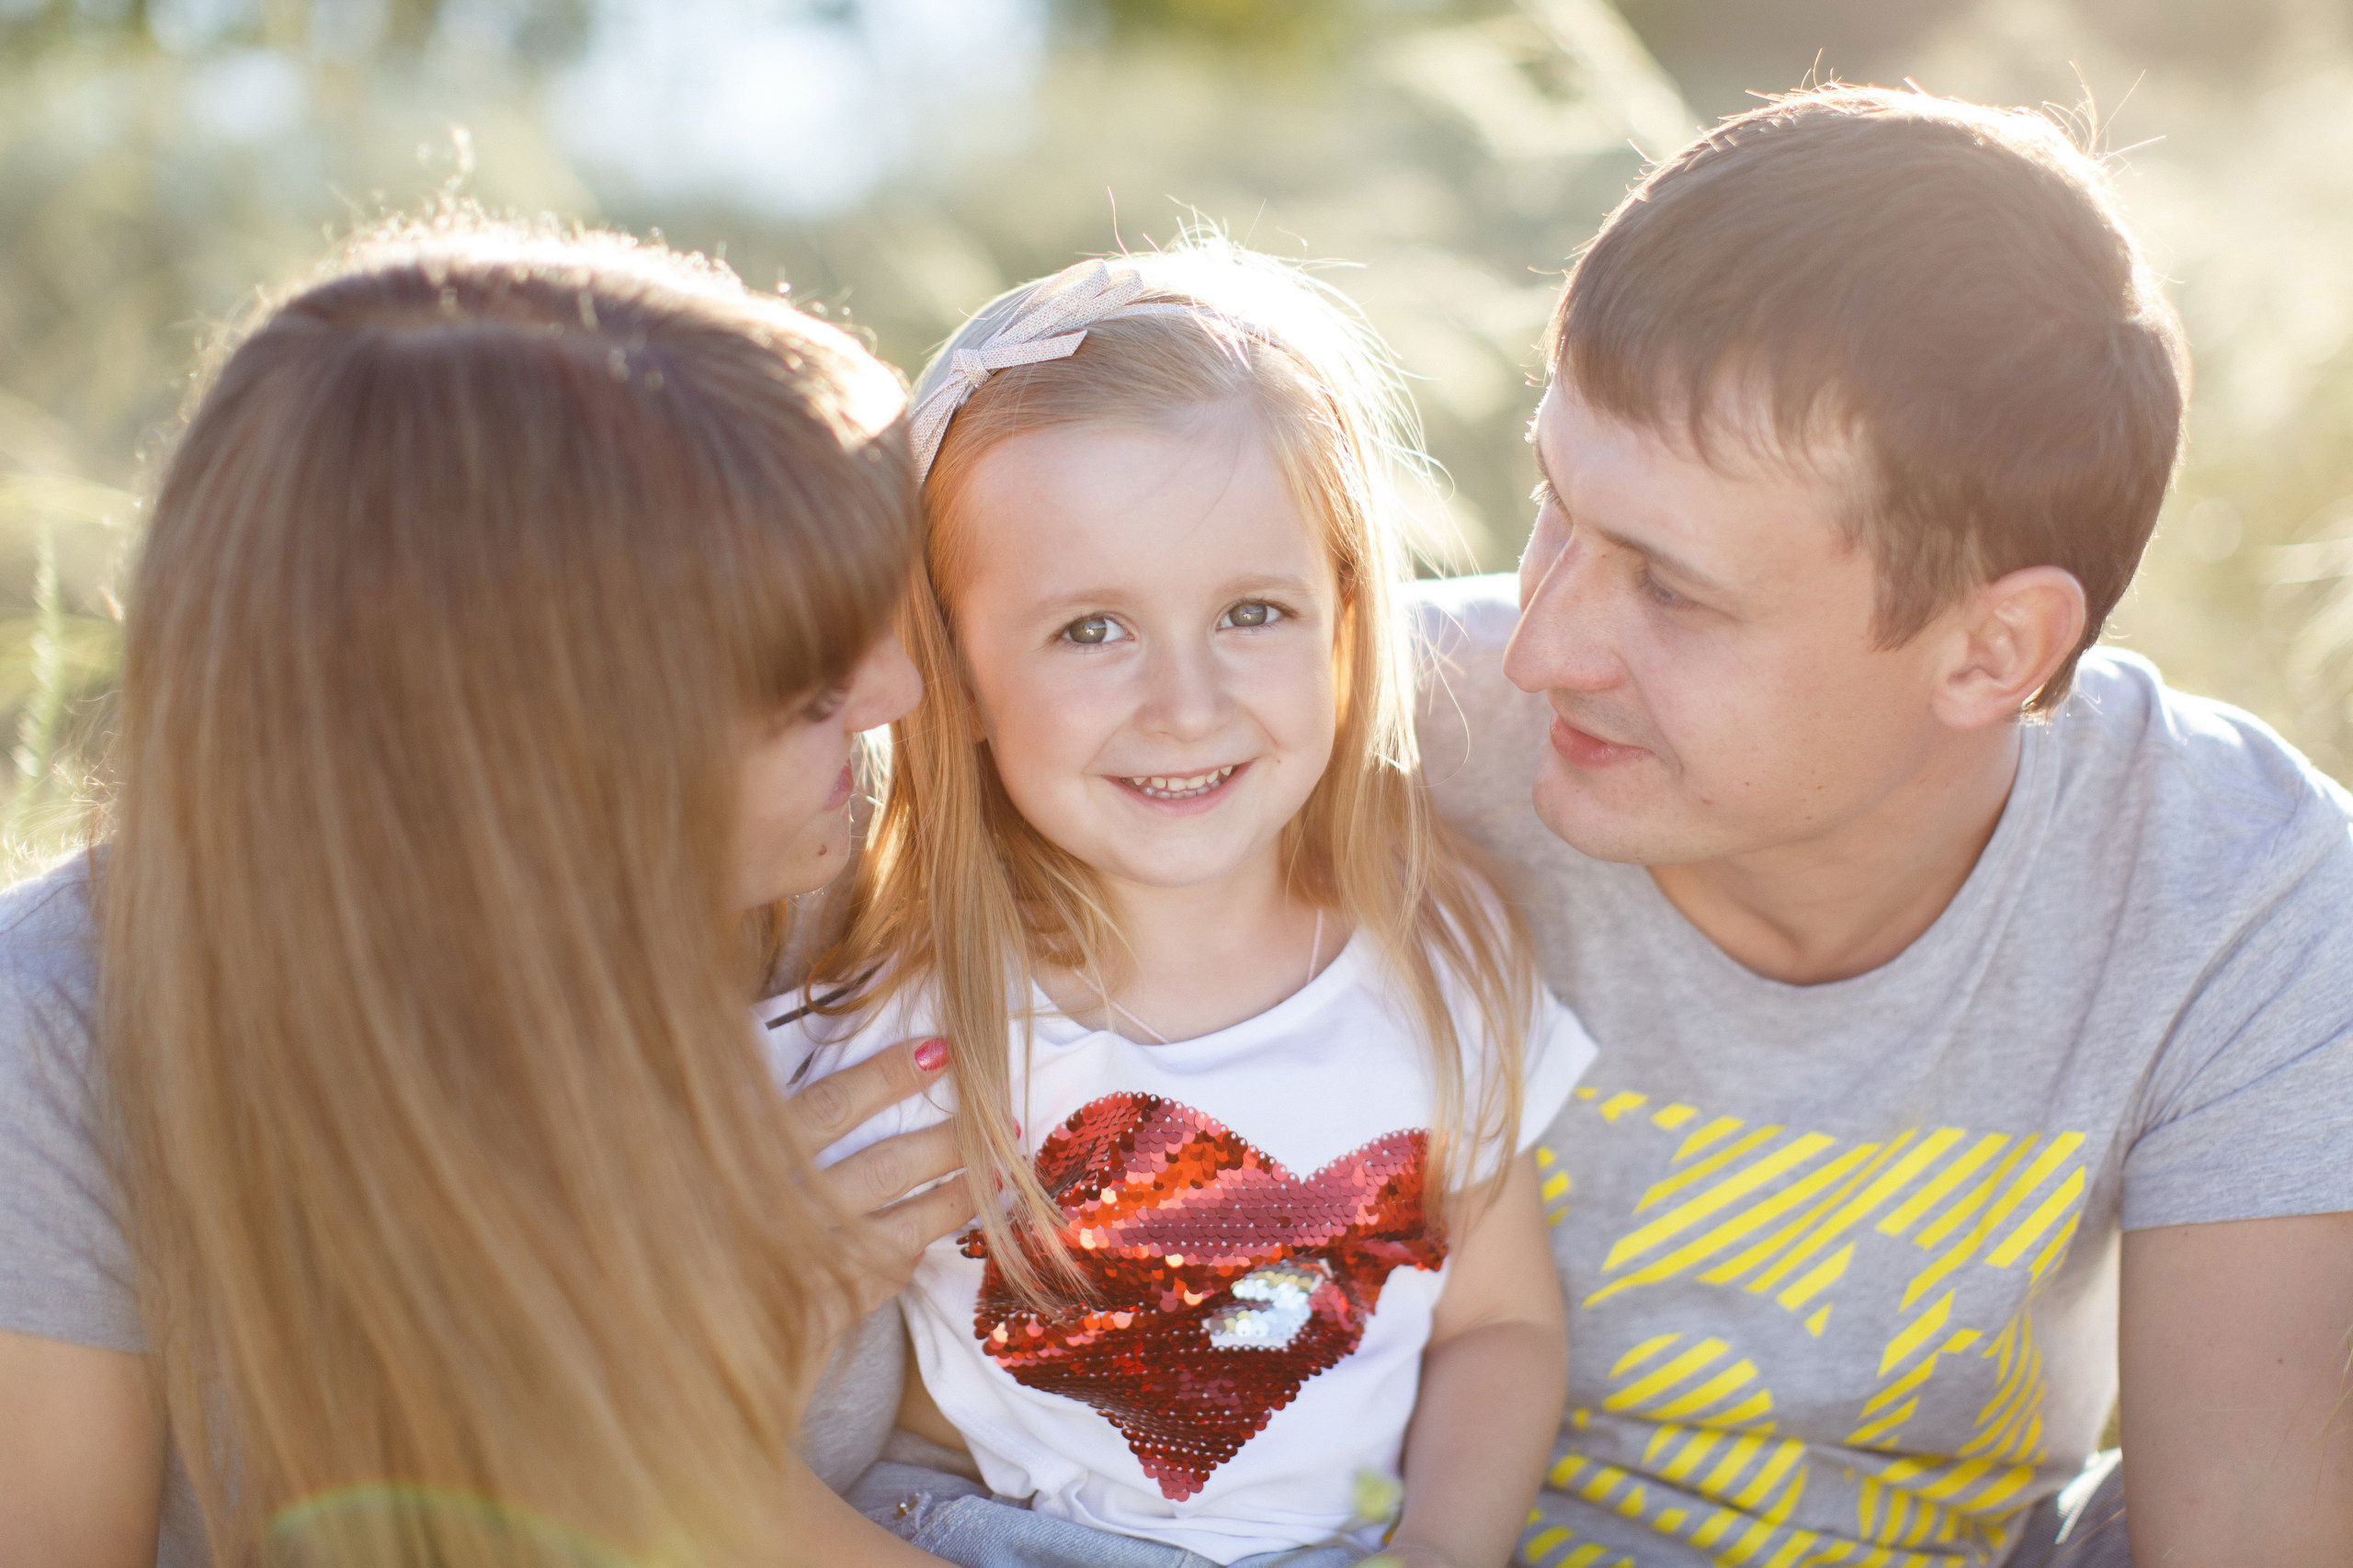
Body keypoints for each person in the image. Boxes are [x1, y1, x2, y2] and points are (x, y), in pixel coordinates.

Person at [1411, 85, 2353, 1568]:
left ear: (1993, 652)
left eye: (1670, 590)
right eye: (1554, 509)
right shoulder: (1340, 740)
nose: (1541, 649)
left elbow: (2248, 1527)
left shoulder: (2241, 898)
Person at [0, 218, 976, 1568]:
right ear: (529, 747)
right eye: (807, 690)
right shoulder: (64, 1041)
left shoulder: (838, 866)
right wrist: (650, 1448)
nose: (900, 699)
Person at [762, 246, 1598, 1568]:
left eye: (1251, 612)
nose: (1187, 704)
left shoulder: (1441, 961)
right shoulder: (907, 1008)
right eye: (1092, 629)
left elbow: (1500, 1324)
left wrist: (1445, 1544)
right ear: (959, 677)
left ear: (1343, 620)